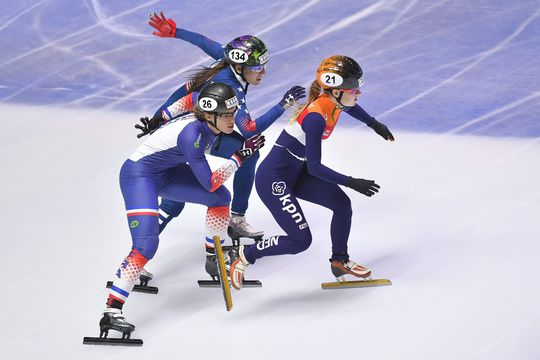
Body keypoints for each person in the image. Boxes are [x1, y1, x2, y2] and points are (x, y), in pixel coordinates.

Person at [99, 83, 264, 336]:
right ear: (209, 115)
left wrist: (160, 117)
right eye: (227, 116)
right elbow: (209, 181)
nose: (233, 121)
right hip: (139, 176)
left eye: (233, 114)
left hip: (167, 171)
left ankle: (213, 257)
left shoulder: (205, 107)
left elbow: (192, 97)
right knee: (146, 245)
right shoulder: (191, 135)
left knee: (221, 198)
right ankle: (111, 312)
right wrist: (239, 158)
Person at [135, 11, 306, 241]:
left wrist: (175, 31)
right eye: (257, 68)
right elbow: (248, 128)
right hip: (184, 134)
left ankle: (235, 219)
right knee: (173, 203)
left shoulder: (227, 58)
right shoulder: (231, 85)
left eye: (262, 65)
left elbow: (203, 41)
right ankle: (141, 249)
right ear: (239, 67)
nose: (262, 72)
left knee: (248, 155)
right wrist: (282, 105)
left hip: (200, 125)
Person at [229, 55, 395, 290]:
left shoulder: (334, 101)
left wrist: (373, 123)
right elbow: (316, 167)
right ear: (336, 91)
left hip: (296, 170)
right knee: (300, 241)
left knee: (341, 205)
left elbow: (352, 108)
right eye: (353, 89)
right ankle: (244, 255)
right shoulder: (316, 117)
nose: (358, 93)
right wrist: (352, 181)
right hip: (274, 180)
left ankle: (340, 261)